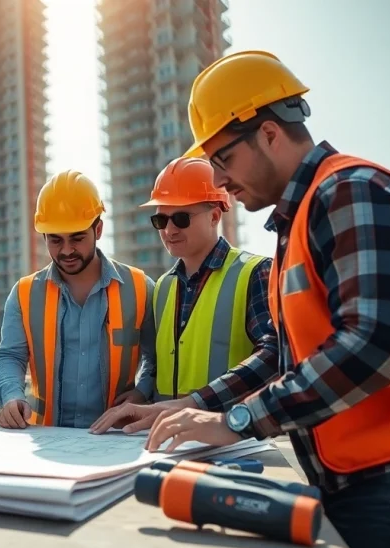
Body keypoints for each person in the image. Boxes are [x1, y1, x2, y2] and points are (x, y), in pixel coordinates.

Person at [99, 50, 390, 548]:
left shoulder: (352, 193)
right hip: (367, 466)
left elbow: (377, 341)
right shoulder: (301, 221)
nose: (219, 180)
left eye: (223, 159)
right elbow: (284, 353)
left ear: (270, 134)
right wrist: (189, 406)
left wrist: (236, 422)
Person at [90, 157, 276, 429]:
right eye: (160, 219)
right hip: (168, 438)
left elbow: (274, 358)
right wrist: (142, 394)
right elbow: (157, 361)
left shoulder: (254, 273)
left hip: (234, 439)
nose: (169, 230)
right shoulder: (163, 287)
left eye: (181, 218)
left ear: (214, 216)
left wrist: (197, 404)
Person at [0, 169, 156, 430]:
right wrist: (11, 395)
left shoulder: (140, 288)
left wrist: (142, 392)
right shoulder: (24, 294)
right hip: (48, 437)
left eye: (77, 238)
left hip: (117, 438)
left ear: (98, 229)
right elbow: (10, 356)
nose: (66, 250)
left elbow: (156, 357)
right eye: (55, 240)